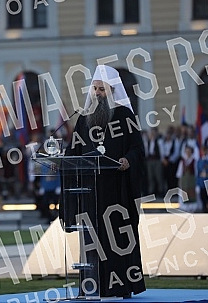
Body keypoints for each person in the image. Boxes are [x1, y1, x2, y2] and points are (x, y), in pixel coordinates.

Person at [62, 65, 146, 298]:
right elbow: (74, 152)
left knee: (117, 238)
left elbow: (138, 150)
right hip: (90, 192)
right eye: (95, 88)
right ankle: (92, 286)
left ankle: (120, 286)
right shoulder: (84, 119)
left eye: (102, 89)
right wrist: (61, 159)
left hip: (116, 191)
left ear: (112, 90)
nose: (97, 93)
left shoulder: (124, 116)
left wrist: (128, 160)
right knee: (92, 240)